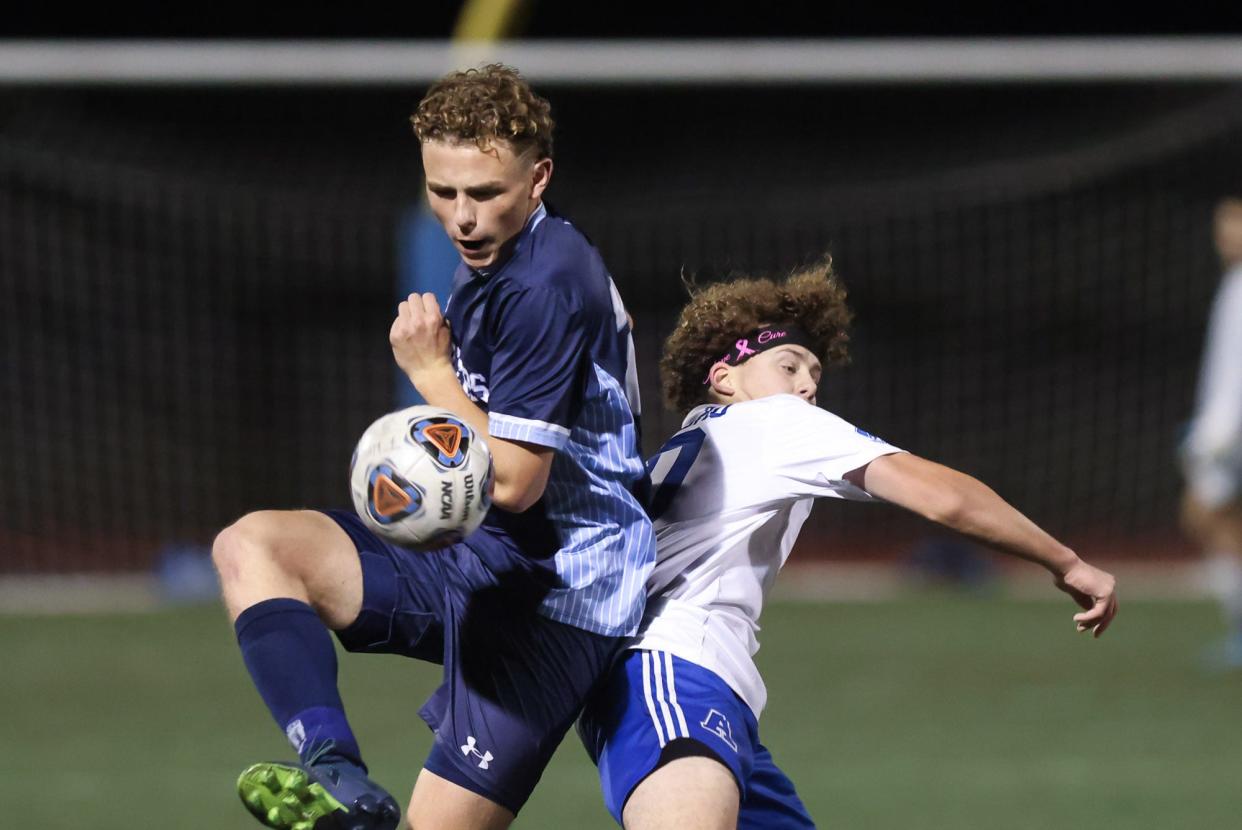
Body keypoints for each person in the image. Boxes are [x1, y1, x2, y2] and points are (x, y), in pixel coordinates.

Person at [212, 64, 655, 830]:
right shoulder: (499, 259)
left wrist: (428, 373)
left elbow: (514, 481)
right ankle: (337, 774)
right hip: (477, 561)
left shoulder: (544, 286)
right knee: (255, 546)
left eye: (484, 194)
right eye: (442, 191)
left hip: (559, 603)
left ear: (539, 177)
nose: (462, 217)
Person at [577, 261, 1119, 829]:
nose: (807, 384)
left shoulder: (696, 440)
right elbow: (944, 497)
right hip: (672, 672)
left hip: (688, 687)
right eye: (788, 365)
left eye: (814, 371)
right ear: (724, 377)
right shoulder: (772, 422)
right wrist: (1066, 562)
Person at [1180, 196, 1242, 669]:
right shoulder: (1233, 284)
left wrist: (1212, 436)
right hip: (1226, 434)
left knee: (1205, 516)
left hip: (1232, 438)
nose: (1225, 236)